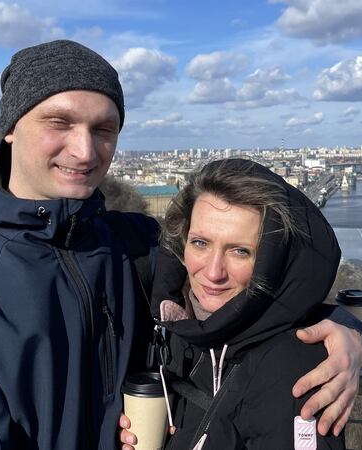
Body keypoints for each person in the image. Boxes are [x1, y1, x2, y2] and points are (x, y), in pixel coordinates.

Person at [0, 40, 362, 449]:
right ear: (10, 127)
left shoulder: (135, 245)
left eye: (104, 129)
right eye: (59, 123)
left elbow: (250, 287)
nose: (85, 151)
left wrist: (345, 331)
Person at [124, 158, 347, 449]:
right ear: (182, 242)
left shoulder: (294, 369)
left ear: (271, 261)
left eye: (240, 251)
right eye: (200, 243)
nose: (214, 272)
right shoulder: (181, 328)